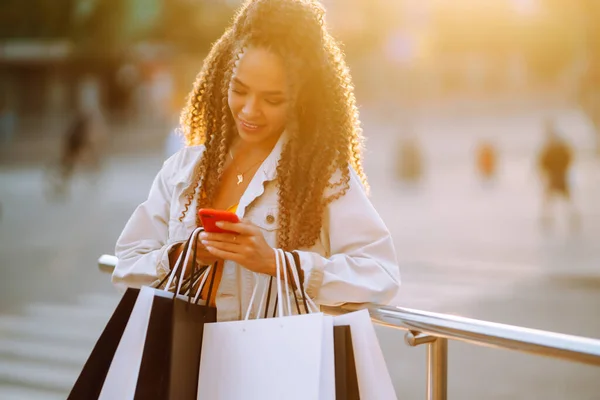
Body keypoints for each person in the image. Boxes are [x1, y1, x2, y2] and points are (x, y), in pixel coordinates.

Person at [113, 0, 401, 322]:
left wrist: (277, 263)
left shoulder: (320, 172)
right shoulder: (185, 168)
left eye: (272, 99)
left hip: (270, 364)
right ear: (224, 79)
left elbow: (379, 274)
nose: (250, 110)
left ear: (300, 100)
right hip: (187, 362)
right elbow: (126, 264)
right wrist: (186, 254)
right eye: (239, 90)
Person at [537, 120, 578, 230]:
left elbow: (542, 161)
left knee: (556, 199)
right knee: (553, 199)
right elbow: (542, 161)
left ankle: (569, 218)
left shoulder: (553, 147)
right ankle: (549, 219)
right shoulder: (555, 146)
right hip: (557, 176)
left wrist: (559, 169)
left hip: (557, 176)